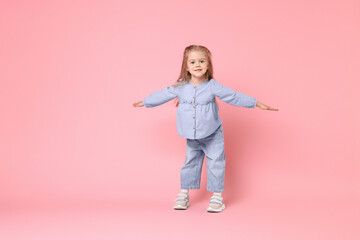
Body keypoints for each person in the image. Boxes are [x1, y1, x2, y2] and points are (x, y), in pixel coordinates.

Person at [133, 45, 278, 213]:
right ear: (186, 66)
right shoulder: (180, 87)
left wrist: (257, 103)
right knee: (190, 163)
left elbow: (234, 96)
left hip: (212, 133)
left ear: (208, 65)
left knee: (216, 162)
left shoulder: (212, 86)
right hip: (192, 135)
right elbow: (163, 94)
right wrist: (145, 102)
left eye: (202, 61)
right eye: (193, 62)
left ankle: (217, 196)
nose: (197, 65)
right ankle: (184, 193)